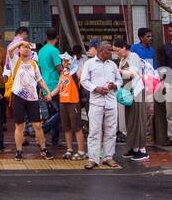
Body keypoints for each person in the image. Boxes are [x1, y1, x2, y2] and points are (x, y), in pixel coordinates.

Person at [7, 41, 54, 161]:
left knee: (37, 125)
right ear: (19, 49)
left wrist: (48, 92)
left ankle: (43, 149)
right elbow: (9, 50)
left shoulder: (34, 64)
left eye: (28, 47)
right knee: (19, 126)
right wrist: (21, 42)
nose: (26, 49)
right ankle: (18, 151)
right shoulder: (15, 61)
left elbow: (40, 80)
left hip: (33, 99)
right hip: (18, 97)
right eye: (23, 47)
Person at [80, 40, 120, 168]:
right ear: (102, 50)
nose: (111, 52)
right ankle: (93, 159)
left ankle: (108, 157)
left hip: (111, 102)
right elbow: (84, 81)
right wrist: (96, 88)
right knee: (94, 131)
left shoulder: (112, 65)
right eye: (109, 50)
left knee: (111, 131)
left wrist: (115, 85)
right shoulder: (89, 64)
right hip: (96, 102)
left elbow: (119, 80)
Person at [113, 39, 149, 161]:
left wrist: (118, 71)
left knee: (138, 120)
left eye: (118, 50)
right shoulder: (122, 59)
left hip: (137, 92)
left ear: (124, 47)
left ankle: (142, 150)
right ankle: (133, 148)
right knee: (130, 121)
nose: (117, 53)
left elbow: (132, 74)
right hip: (128, 93)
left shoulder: (133, 56)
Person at [52, 54, 83, 159]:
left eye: (67, 61)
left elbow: (83, 80)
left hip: (73, 102)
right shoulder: (62, 73)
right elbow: (58, 88)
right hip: (63, 102)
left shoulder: (76, 71)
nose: (64, 63)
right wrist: (49, 95)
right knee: (66, 128)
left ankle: (81, 151)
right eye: (63, 61)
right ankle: (69, 149)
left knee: (77, 127)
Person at [37, 29, 63, 148]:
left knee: (53, 113)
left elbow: (40, 69)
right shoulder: (54, 50)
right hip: (54, 85)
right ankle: (43, 129)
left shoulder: (41, 51)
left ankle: (55, 139)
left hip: (45, 84)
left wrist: (40, 87)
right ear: (57, 38)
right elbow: (59, 68)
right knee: (61, 112)